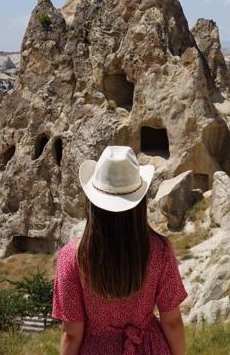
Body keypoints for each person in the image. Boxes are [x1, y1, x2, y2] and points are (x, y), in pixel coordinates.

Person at [52, 146, 187, 355]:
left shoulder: (72, 257)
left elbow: (71, 333)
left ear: (93, 201)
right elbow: (172, 322)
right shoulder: (160, 251)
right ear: (139, 201)